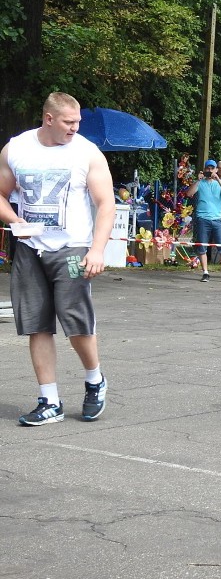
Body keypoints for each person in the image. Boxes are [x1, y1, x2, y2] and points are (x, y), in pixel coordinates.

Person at [0, 92, 114, 425]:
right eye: (69, 122)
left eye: (78, 121)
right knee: (36, 326)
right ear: (48, 119)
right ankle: (49, 401)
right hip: (29, 247)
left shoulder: (86, 152)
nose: (75, 128)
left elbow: (105, 203)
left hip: (74, 247)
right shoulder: (16, 148)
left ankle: (95, 380)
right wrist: (13, 219)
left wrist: (96, 250)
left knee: (76, 322)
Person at [187, 159, 221, 282]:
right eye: (208, 169)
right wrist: (198, 180)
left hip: (217, 219)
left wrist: (218, 179)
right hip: (202, 218)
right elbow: (189, 194)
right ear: (205, 170)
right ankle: (205, 272)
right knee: (202, 246)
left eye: (212, 168)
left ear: (216, 170)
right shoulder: (200, 183)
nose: (210, 171)